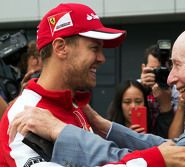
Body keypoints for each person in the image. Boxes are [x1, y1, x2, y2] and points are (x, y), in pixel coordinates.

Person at [9, 21, 185, 166]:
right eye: (94, 48)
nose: (169, 78)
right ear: (60, 48)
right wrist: (104, 126)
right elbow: (169, 148)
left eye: (177, 64)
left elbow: (171, 158)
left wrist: (58, 131)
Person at [0, 2, 125, 166]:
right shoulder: (25, 115)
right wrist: (154, 158)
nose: (102, 58)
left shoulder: (74, 104)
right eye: (94, 48)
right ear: (60, 48)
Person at [140, 44, 185, 138]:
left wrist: (166, 103)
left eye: (163, 70)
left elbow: (175, 138)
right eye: (154, 70)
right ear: (143, 68)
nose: (159, 74)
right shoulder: (135, 89)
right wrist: (142, 89)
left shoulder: (180, 92)